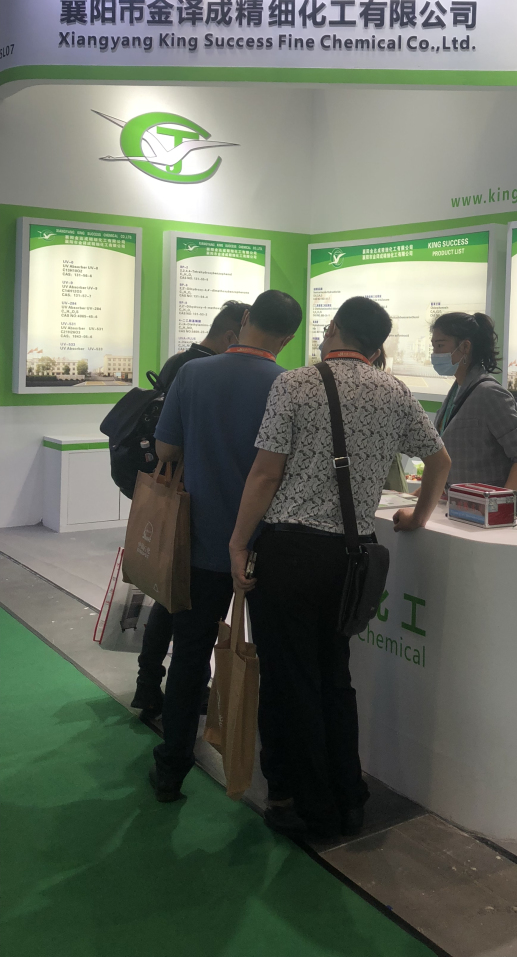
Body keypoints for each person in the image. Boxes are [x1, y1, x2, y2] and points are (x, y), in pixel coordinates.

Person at [229, 295, 451, 840]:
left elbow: (265, 474)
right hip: (352, 558)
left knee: (291, 681)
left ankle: (311, 805)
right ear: (377, 346)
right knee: (335, 676)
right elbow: (439, 459)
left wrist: (237, 543)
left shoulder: (295, 384)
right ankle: (349, 796)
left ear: (331, 330)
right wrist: (418, 516)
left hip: (291, 554)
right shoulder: (394, 391)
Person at [148, 289, 302, 802]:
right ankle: (275, 782)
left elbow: (166, 447)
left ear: (245, 319)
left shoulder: (194, 374)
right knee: (274, 659)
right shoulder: (290, 385)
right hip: (268, 547)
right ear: (287, 338)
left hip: (199, 542)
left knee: (190, 656)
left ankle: (171, 769)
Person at [131, 299, 251, 720]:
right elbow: (174, 444)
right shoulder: (201, 370)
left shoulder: (179, 362)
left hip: (172, 497)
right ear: (233, 334)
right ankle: (182, 692)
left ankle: (149, 685)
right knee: (181, 609)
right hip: (191, 503)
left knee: (169, 597)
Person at [431, 312, 517, 513]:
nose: (435, 354)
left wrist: (499, 503)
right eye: (433, 346)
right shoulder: (456, 391)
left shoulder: (489, 393)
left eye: (440, 345)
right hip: (462, 509)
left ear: (465, 347)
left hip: (491, 516)